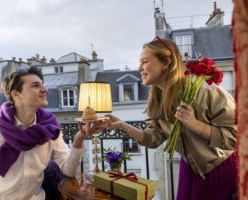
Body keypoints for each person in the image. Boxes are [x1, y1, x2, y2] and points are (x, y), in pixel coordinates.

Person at [100, 37, 237, 200]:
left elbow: (236, 137)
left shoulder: (205, 90)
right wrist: (123, 126)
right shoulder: (156, 99)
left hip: (219, 171)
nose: (139, 68)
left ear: (166, 63)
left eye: (144, 62)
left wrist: (196, 125)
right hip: (190, 172)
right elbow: (153, 139)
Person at [0, 67, 94, 200]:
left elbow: (68, 171)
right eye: (36, 86)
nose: (45, 89)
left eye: (42, 85)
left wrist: (78, 140)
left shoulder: (50, 129)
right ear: (16, 94)